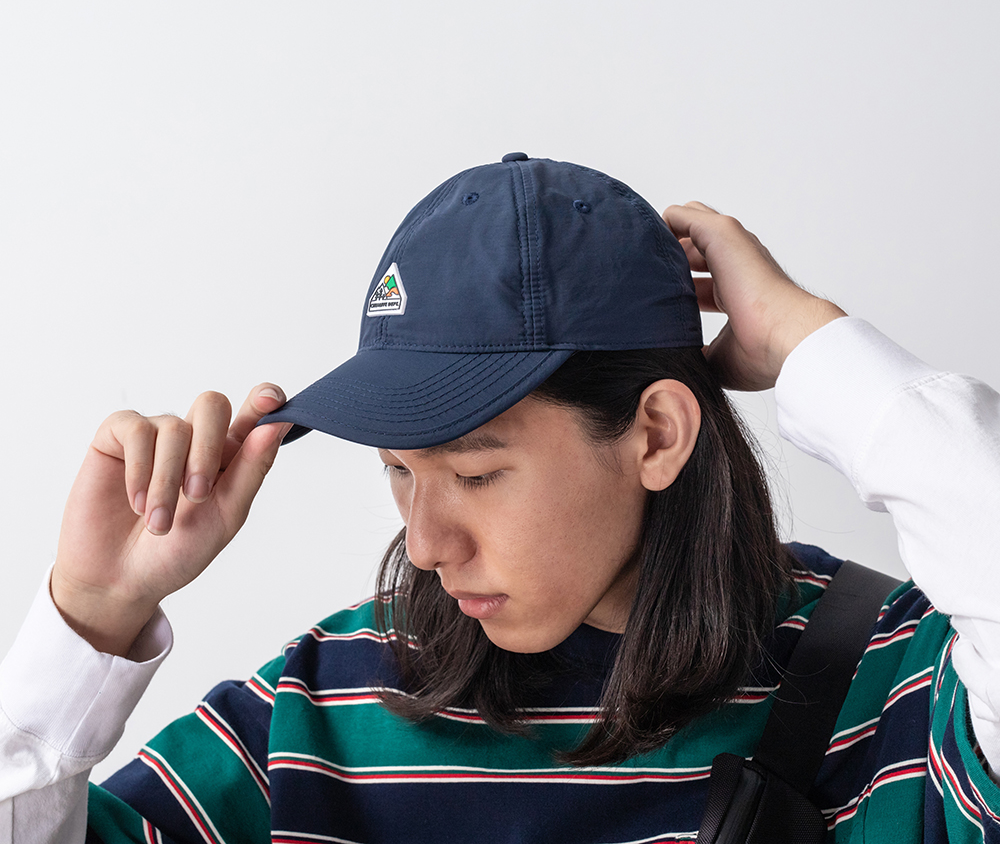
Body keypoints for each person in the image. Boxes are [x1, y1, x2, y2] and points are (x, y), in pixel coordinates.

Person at [1, 154, 999, 842]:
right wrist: (91, 616)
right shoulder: (325, 704)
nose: (425, 543)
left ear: (655, 435)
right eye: (399, 470)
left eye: (476, 474)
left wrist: (808, 342)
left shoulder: (891, 687)